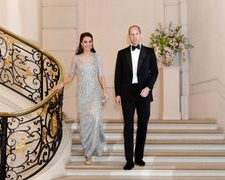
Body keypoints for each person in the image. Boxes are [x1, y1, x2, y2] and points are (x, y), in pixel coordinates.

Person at [53, 32, 108, 165]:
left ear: (92, 43)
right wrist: (61, 84)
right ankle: (88, 153)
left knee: (95, 119)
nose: (88, 44)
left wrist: (105, 90)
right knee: (86, 123)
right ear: (81, 43)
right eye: (85, 41)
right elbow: (71, 75)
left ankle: (95, 146)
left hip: (95, 93)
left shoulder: (97, 57)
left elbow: (101, 76)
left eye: (90, 41)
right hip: (83, 95)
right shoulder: (76, 58)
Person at [114, 25, 158, 170]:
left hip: (144, 93)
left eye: (136, 33)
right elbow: (118, 75)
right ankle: (129, 160)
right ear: (128, 36)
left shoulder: (149, 52)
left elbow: (155, 72)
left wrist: (148, 87)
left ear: (140, 35)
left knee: (143, 126)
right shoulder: (121, 53)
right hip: (127, 94)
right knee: (128, 127)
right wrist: (118, 93)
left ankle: (139, 157)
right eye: (131, 34)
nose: (134, 36)